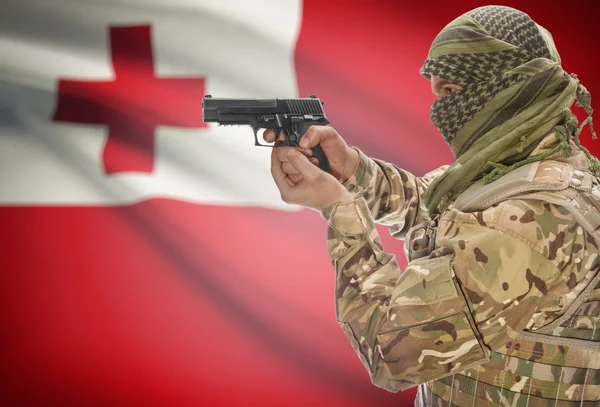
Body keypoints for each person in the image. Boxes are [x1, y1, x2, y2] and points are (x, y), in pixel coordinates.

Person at [265, 5, 600, 407]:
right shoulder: (518, 168)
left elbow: (391, 354)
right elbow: (431, 207)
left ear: (508, 85)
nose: (439, 110)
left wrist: (340, 210)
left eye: (450, 92)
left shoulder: (533, 220)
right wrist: (351, 169)